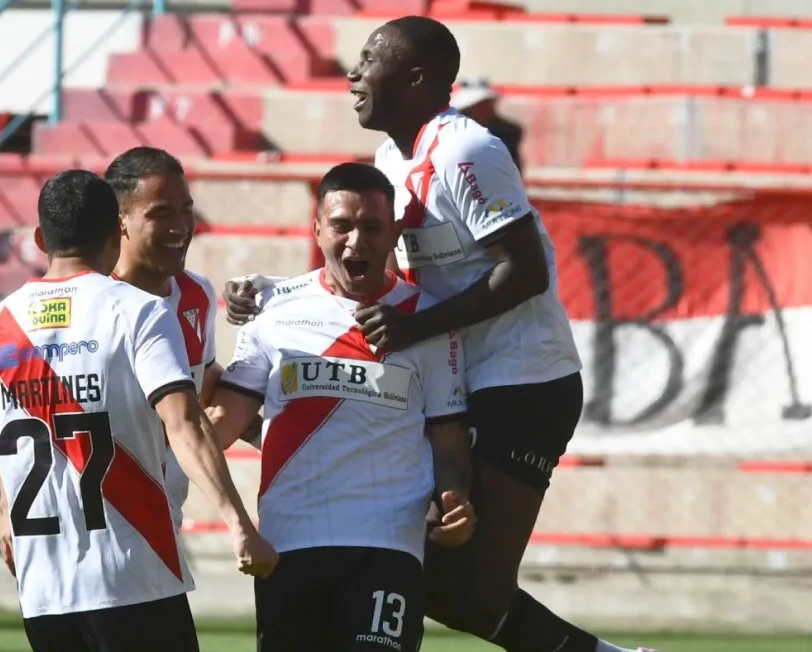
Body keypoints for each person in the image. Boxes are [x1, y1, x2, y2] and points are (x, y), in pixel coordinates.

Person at [222, 16, 658, 652]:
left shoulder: (467, 151)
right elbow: (377, 274)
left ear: (417, 78)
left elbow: (527, 271)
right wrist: (278, 292)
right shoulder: (388, 159)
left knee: (462, 588)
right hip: (454, 378)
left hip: (522, 381)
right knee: (434, 577)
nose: (353, 73)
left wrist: (413, 328)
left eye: (370, 59)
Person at [0, 170, 279, 652]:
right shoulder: (139, 312)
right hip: (135, 574)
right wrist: (239, 526)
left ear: (41, 238)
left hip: (44, 595)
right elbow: (184, 423)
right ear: (113, 235)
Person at [207, 162, 477, 652]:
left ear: (395, 232)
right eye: (341, 226)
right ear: (317, 229)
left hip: (387, 542)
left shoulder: (429, 319)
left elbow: (449, 436)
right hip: (288, 542)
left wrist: (454, 496)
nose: (356, 241)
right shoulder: (271, 310)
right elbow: (226, 419)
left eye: (372, 227)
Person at [0, 147, 261, 573]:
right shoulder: (89, 307)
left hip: (158, 524)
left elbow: (201, 379)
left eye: (186, 210)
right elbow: (24, 406)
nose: (180, 227)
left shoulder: (196, 295)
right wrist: (10, 501)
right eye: (161, 214)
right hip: (90, 531)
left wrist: (271, 429)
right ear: (119, 224)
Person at [450, 76, 525, 175]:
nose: (485, 109)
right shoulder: (451, 132)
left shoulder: (507, 134)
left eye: (486, 104)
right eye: (478, 106)